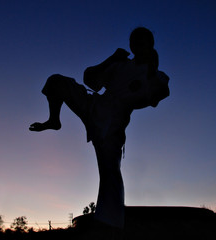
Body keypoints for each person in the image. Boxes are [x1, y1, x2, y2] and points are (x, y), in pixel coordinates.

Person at [29, 27, 169, 238]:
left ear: (150, 45)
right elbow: (90, 79)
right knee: (56, 81)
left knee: (110, 173)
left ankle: (110, 226)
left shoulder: (156, 75)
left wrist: (150, 70)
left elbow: (160, 93)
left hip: (112, 126)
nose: (135, 46)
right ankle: (54, 120)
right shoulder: (120, 64)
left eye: (141, 42)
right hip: (94, 105)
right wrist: (111, 58)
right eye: (133, 42)